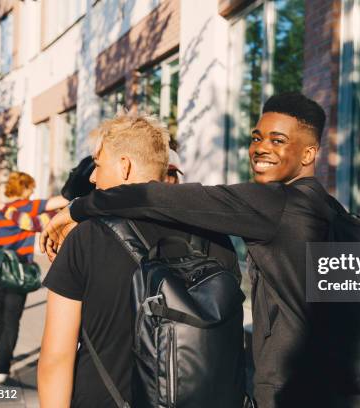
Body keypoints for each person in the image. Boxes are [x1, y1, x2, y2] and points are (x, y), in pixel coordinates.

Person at [41, 92, 360, 408]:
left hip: (293, 393)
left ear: (309, 154)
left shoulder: (274, 206)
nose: (260, 148)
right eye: (257, 138)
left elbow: (152, 197)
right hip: (342, 388)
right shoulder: (331, 212)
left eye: (277, 140)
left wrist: (76, 209)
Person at [37, 113, 241, 407]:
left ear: (124, 166)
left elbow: (57, 357)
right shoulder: (216, 236)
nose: (93, 177)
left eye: (97, 164)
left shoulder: (86, 237)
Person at [0, 171, 68, 384]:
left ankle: (2, 358)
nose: (32, 192)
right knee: (12, 320)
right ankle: (3, 366)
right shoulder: (29, 207)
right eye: (31, 188)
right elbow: (64, 199)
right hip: (19, 272)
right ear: (25, 188)